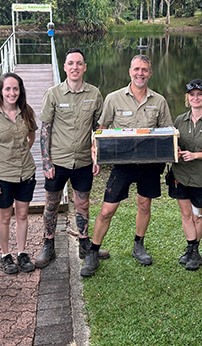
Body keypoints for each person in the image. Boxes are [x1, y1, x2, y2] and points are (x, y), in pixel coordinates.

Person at [81, 54, 173, 277]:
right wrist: (96, 151)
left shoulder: (159, 101)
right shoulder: (114, 99)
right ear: (129, 71)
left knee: (144, 205)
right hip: (122, 165)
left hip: (150, 165)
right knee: (106, 210)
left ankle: (138, 245)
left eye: (144, 70)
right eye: (136, 69)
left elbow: (168, 132)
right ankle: (93, 252)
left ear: (150, 73)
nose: (140, 73)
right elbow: (101, 129)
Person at [34, 48, 110, 268]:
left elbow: (98, 129)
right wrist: (46, 162)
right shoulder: (53, 94)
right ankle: (48, 245)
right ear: (65, 67)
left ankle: (84, 244)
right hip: (58, 161)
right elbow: (45, 129)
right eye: (70, 63)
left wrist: (98, 157)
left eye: (79, 63)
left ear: (85, 67)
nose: (75, 67)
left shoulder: (94, 94)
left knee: (82, 203)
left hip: (84, 161)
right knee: (51, 203)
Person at [0, 72, 38, 274]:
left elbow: (31, 134)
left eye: (16, 88)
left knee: (22, 214)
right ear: (1, 91)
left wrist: (23, 151)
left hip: (26, 173)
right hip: (2, 176)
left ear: (20, 90)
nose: (12, 93)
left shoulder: (26, 111)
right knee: (4, 217)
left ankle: (22, 253)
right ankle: (5, 255)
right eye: (8, 89)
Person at [169, 79, 202, 271]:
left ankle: (195, 250)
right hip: (180, 175)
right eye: (192, 95)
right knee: (186, 215)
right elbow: (173, 145)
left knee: (198, 216)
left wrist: (195, 155)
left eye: (200, 94)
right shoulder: (179, 121)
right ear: (187, 98)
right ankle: (191, 250)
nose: (195, 98)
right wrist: (174, 150)